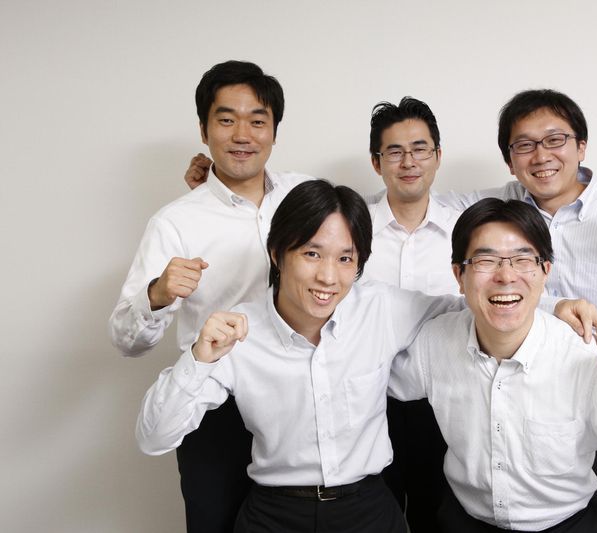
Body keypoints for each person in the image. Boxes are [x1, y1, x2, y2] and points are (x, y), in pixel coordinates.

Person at [136, 180, 465, 533]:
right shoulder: (239, 330)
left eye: (345, 258)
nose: (328, 277)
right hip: (275, 513)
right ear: (277, 253)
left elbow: (470, 312)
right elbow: (153, 438)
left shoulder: (381, 307)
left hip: (368, 509)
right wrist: (199, 359)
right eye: (312, 254)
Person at [439, 89, 597, 531]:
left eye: (555, 140)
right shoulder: (495, 212)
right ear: (509, 160)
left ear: (581, 146)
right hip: (528, 397)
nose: (541, 156)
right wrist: (555, 305)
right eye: (524, 145)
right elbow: (419, 209)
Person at [390, 198, 597, 533]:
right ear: (459, 275)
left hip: (567, 523)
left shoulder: (584, 356)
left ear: (546, 271)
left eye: (523, 260)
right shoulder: (435, 342)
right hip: (464, 520)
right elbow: (375, 380)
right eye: (486, 260)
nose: (506, 276)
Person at [109, 60, 312, 533]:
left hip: (299, 398)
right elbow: (125, 340)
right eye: (226, 120)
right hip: (217, 408)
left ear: (274, 132)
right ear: (203, 130)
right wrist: (157, 293)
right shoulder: (176, 222)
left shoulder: (304, 195)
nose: (242, 134)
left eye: (257, 121)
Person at [363, 97, 460, 530]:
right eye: (395, 151)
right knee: (372, 520)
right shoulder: (350, 227)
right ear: (376, 162)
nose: (409, 162)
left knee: (437, 519)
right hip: (366, 401)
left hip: (445, 403)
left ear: (437, 156)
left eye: (420, 149)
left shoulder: (465, 229)